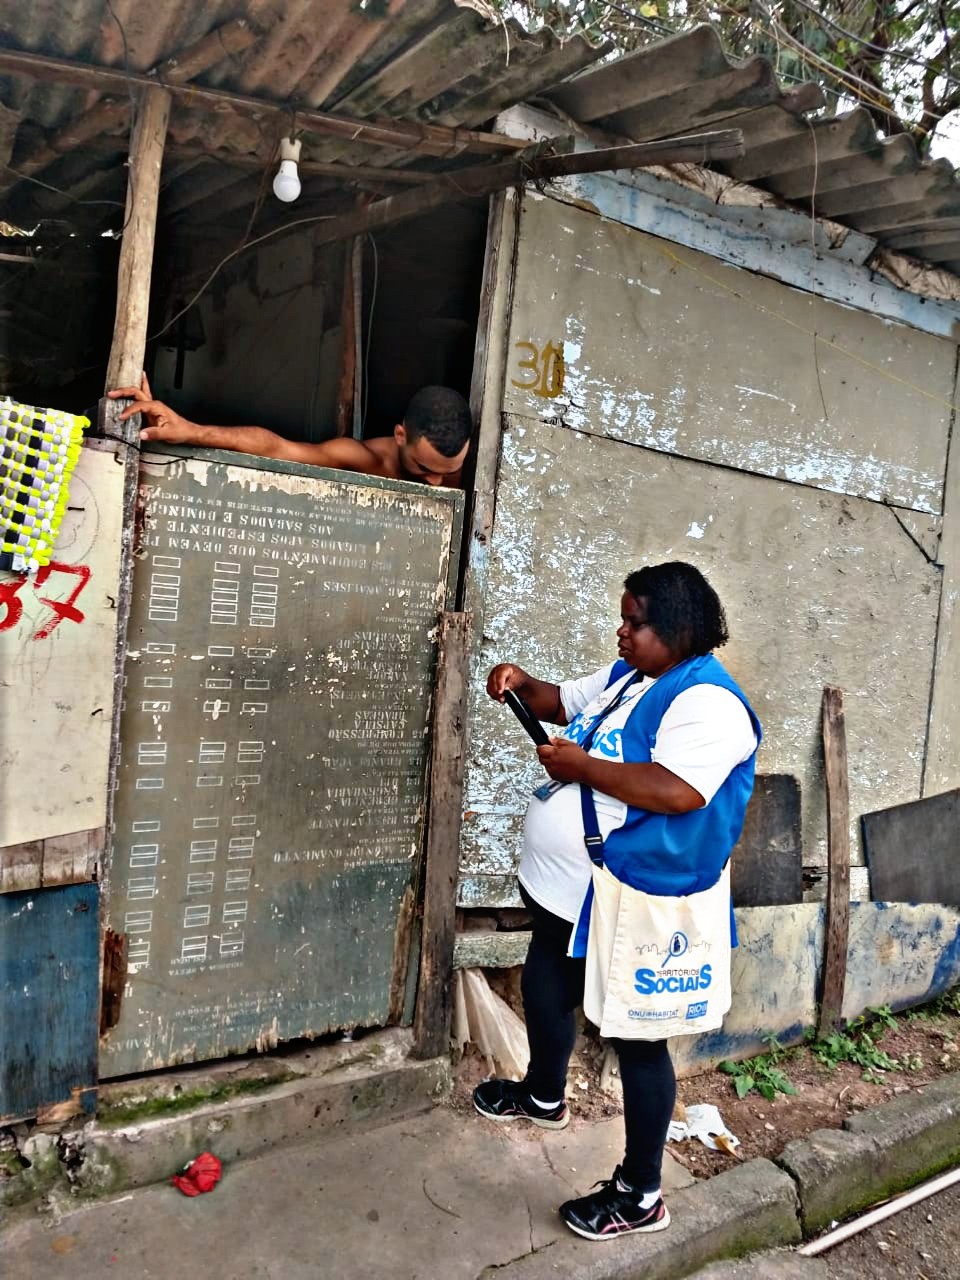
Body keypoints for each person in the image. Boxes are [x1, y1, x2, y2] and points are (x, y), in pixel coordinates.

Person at [473, 561, 761, 1242]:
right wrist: (520, 683)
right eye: (624, 618)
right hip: (568, 893)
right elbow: (560, 702)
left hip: (635, 898)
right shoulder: (634, 675)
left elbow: (676, 790)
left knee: (635, 1037)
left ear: (679, 628)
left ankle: (641, 1193)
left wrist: (582, 767)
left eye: (636, 622)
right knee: (546, 976)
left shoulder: (709, 702)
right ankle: (543, 1096)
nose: (622, 632)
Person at [107, 377, 472, 487]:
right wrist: (191, 431)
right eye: (425, 468)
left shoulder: (467, 471)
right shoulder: (360, 457)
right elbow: (277, 448)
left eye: (449, 470)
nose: (438, 482)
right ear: (399, 435)